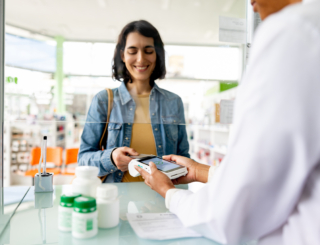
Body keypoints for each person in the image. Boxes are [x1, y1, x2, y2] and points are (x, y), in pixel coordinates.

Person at [135, 0, 320, 244]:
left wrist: (169, 193)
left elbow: (234, 213)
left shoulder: (294, 31)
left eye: (149, 50)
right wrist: (202, 171)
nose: (251, 3)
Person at [78, 20, 190, 183]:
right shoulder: (103, 101)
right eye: (132, 51)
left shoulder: (173, 102)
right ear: (123, 55)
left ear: (157, 54)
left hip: (162, 201)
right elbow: (83, 159)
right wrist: (111, 157)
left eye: (148, 50)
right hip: (117, 202)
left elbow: (183, 159)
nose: (140, 58)